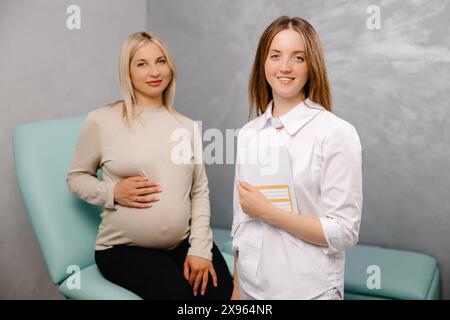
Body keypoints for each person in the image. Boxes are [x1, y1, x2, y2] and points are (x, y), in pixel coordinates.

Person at [66, 32, 233, 300]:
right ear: (127, 72)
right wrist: (112, 192)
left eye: (160, 61)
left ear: (170, 67)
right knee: (180, 298)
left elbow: (199, 191)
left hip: (182, 244)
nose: (154, 72)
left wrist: (200, 248)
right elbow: (76, 178)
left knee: (225, 294)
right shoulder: (102, 121)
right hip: (123, 249)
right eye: (141, 64)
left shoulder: (186, 127)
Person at [231, 16, 363, 300]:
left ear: (311, 65)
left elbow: (344, 232)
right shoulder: (248, 134)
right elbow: (241, 223)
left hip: (311, 292)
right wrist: (237, 290)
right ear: (263, 63)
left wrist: (270, 213)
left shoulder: (336, 133)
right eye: (275, 56)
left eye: (298, 57)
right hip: (252, 292)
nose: (285, 67)